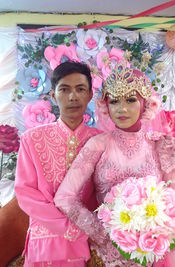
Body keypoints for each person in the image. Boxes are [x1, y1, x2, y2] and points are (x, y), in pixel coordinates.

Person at [54, 64, 175, 267]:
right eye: (114, 101)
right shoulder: (98, 144)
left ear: (145, 104)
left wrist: (157, 234)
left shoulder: (161, 145)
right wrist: (102, 233)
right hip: (107, 254)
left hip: (153, 252)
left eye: (130, 100)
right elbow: (64, 197)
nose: (121, 109)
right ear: (105, 105)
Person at [15, 61, 100, 267]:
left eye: (80, 89)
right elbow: (26, 193)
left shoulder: (100, 141)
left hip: (88, 241)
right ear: (53, 95)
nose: (73, 97)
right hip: (45, 241)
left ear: (90, 95)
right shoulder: (32, 139)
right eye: (64, 89)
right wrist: (67, 227)